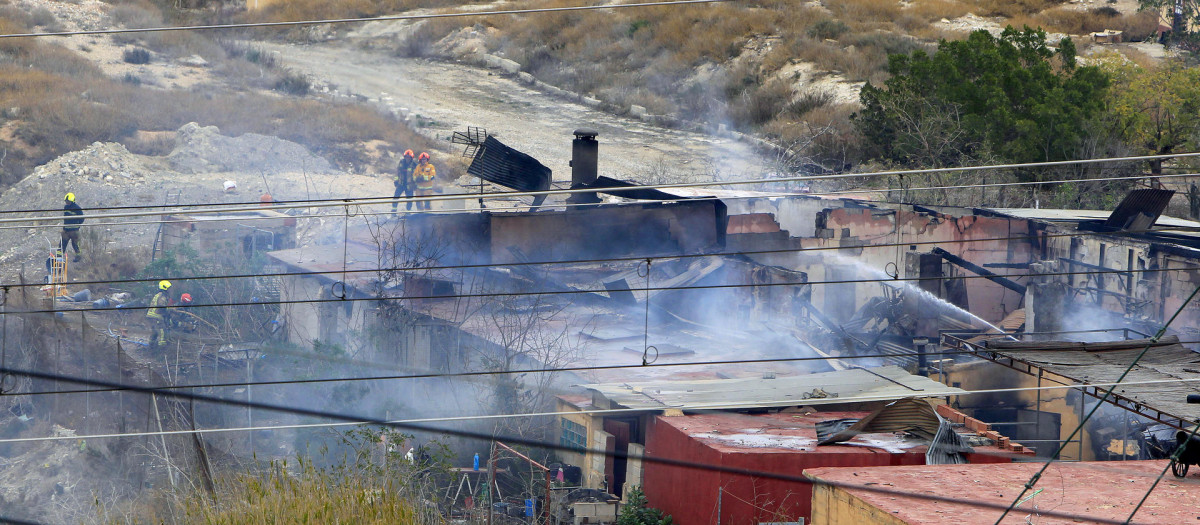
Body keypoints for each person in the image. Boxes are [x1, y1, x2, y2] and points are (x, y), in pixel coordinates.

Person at [147, 280, 172, 350]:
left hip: (151, 315)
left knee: (154, 332)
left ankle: (150, 346)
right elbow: (161, 305)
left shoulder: (158, 294)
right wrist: (168, 310)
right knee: (162, 331)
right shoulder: (162, 296)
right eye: (169, 288)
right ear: (165, 288)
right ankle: (162, 349)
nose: (170, 290)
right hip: (156, 316)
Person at [393, 150, 418, 214]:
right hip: (401, 184)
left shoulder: (414, 165)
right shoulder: (401, 162)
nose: (407, 158)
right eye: (406, 157)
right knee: (396, 197)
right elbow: (397, 172)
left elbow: (416, 175)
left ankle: (408, 212)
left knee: (409, 199)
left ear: (411, 157)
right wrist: (396, 180)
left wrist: (415, 184)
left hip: (409, 185)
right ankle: (393, 210)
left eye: (409, 157)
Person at [61, 193, 84, 262]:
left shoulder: (77, 208)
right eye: (66, 201)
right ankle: (59, 257)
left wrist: (77, 225)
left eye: (68, 201)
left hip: (74, 231)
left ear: (72, 201)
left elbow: (82, 219)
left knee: (75, 244)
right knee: (62, 244)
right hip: (66, 230)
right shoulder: (66, 207)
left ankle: (78, 257)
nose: (67, 202)